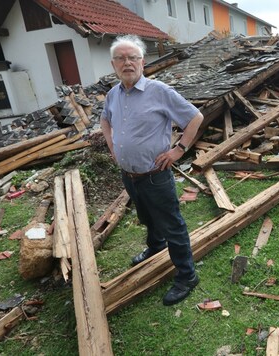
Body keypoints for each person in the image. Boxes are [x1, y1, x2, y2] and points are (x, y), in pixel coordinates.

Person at [100, 35, 203, 306]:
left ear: (142, 62)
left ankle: (187, 275)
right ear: (113, 64)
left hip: (155, 176)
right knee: (146, 217)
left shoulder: (159, 91)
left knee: (173, 226)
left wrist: (178, 150)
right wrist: (114, 149)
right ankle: (156, 248)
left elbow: (195, 117)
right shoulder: (113, 94)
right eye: (121, 58)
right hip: (129, 176)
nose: (127, 63)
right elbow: (105, 120)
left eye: (132, 57)